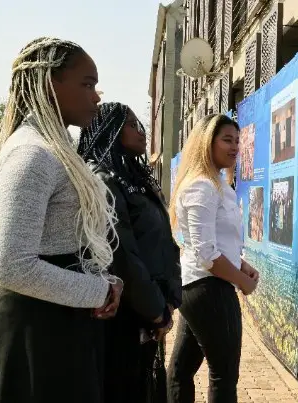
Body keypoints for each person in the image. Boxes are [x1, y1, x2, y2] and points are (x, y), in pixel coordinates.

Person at [0, 37, 123, 403]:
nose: (97, 97)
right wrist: (100, 290)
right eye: (87, 84)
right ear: (50, 84)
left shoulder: (54, 148)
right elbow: (13, 266)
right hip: (36, 334)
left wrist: (104, 280)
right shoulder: (32, 154)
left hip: (59, 323)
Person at [78, 102, 182, 403]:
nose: (141, 130)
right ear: (109, 130)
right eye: (132, 125)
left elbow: (158, 243)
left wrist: (166, 302)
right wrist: (155, 310)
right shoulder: (102, 179)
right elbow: (121, 255)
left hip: (148, 312)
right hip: (125, 315)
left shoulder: (129, 177)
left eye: (140, 124)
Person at [167, 114, 260, 403]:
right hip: (209, 289)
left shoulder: (218, 184)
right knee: (224, 375)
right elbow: (206, 254)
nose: (234, 147)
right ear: (208, 142)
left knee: (181, 370)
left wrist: (243, 264)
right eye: (227, 140)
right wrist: (244, 282)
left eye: (237, 140)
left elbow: (219, 243)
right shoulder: (201, 187)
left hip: (204, 287)